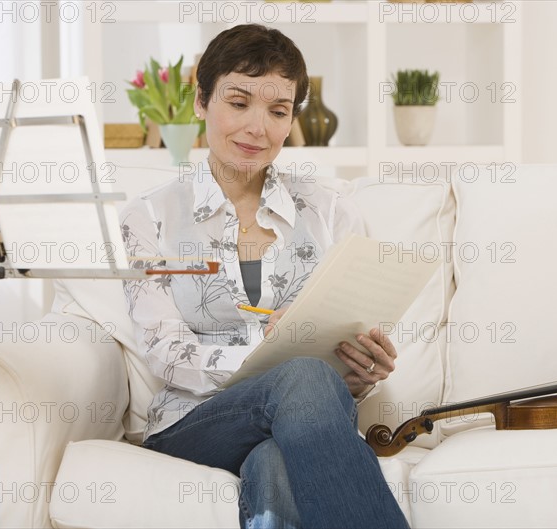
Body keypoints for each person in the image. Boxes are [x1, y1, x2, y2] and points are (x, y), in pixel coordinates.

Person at [120, 23, 409, 529]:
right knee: (301, 374)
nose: (258, 127)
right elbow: (166, 350)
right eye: (238, 102)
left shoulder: (330, 211)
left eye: (278, 112)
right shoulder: (149, 218)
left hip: (307, 417)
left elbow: (348, 337)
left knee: (276, 463)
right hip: (198, 423)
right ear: (202, 100)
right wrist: (265, 362)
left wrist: (362, 370)